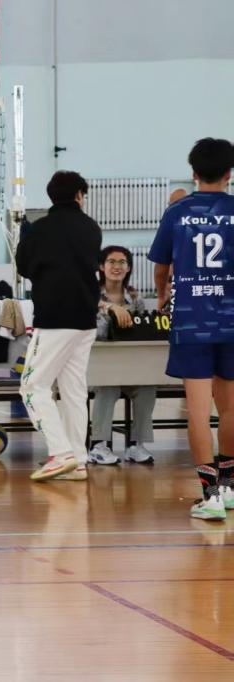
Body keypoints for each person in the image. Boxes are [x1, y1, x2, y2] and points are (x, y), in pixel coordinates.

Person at [149, 137, 234, 520]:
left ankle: (210, 495)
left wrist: (162, 294)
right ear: (229, 174)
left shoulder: (178, 212)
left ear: (194, 172)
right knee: (230, 408)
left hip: (191, 320)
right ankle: (229, 488)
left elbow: (161, 266)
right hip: (231, 320)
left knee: (198, 411)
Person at [17, 171, 102, 482]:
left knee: (31, 386)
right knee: (73, 390)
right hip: (86, 320)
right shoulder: (92, 228)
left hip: (54, 319)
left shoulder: (40, 229)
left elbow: (24, 266)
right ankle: (78, 461)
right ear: (79, 195)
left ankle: (60, 453)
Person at [89, 245, 157, 465]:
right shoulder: (90, 295)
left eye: (122, 262)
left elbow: (141, 330)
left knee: (146, 387)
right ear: (102, 266)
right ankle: (99, 445)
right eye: (111, 262)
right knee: (108, 387)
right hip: (98, 367)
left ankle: (136, 445)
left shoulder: (135, 299)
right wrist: (109, 309)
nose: (116, 266)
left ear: (128, 268)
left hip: (129, 366)